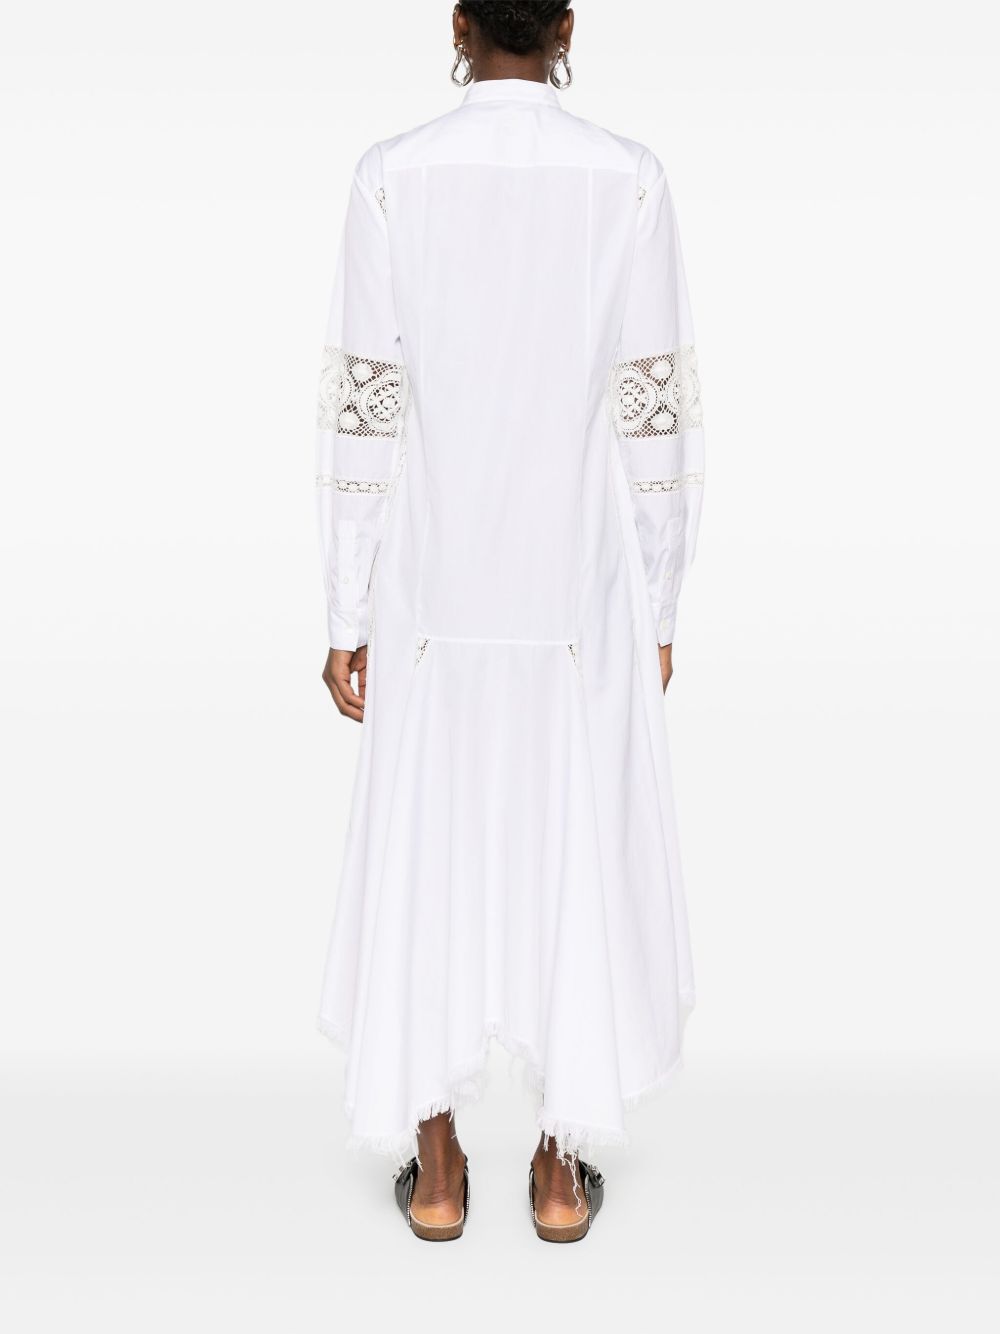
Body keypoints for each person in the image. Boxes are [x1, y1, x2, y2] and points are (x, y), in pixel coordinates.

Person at [315, 0, 703, 1243]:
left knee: (432, 836)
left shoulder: (390, 179)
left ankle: (436, 1168)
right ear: (567, 28)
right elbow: (655, 413)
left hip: (434, 587)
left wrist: (344, 602)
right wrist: (662, 592)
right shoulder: (628, 182)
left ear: (459, 23)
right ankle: (555, 1169)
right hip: (573, 590)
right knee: (569, 841)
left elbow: (364, 409)